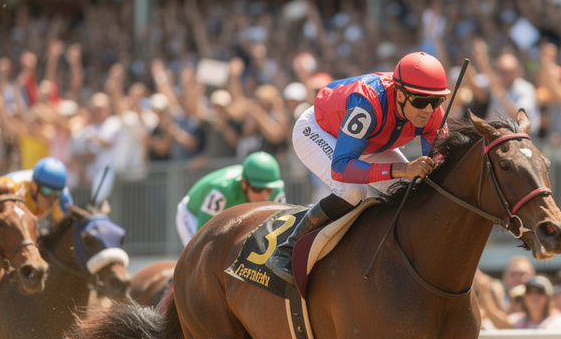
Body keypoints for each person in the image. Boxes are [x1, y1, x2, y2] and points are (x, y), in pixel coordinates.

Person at [269, 51, 449, 283]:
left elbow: (439, 173)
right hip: (319, 130)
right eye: (420, 101)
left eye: (435, 101)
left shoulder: (433, 113)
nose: (428, 110)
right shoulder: (367, 102)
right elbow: (342, 168)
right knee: (352, 191)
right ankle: (287, 249)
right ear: (400, 94)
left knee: (413, 190)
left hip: (370, 141)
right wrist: (401, 169)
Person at [174, 151, 286, 247]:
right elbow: (203, 233)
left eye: (269, 190)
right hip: (193, 214)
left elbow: (279, 233)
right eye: (257, 189)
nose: (264, 196)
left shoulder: (277, 191)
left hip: (228, 219)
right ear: (244, 184)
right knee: (198, 255)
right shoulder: (223, 189)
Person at [0, 156, 74, 232]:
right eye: (47, 191)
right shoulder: (12, 187)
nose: (51, 199)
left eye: (57, 193)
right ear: (34, 186)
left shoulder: (62, 199)